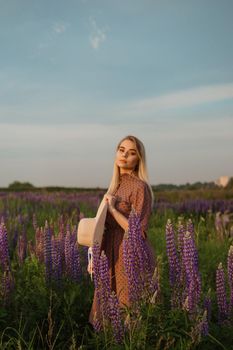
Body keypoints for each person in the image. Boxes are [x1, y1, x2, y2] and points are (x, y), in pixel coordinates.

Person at [89, 135, 155, 325]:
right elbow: (100, 225)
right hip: (108, 251)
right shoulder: (115, 185)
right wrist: (92, 254)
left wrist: (113, 210)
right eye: (121, 150)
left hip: (129, 252)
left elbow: (138, 231)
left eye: (132, 152)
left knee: (127, 310)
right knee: (106, 309)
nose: (125, 155)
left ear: (139, 160)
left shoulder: (140, 187)